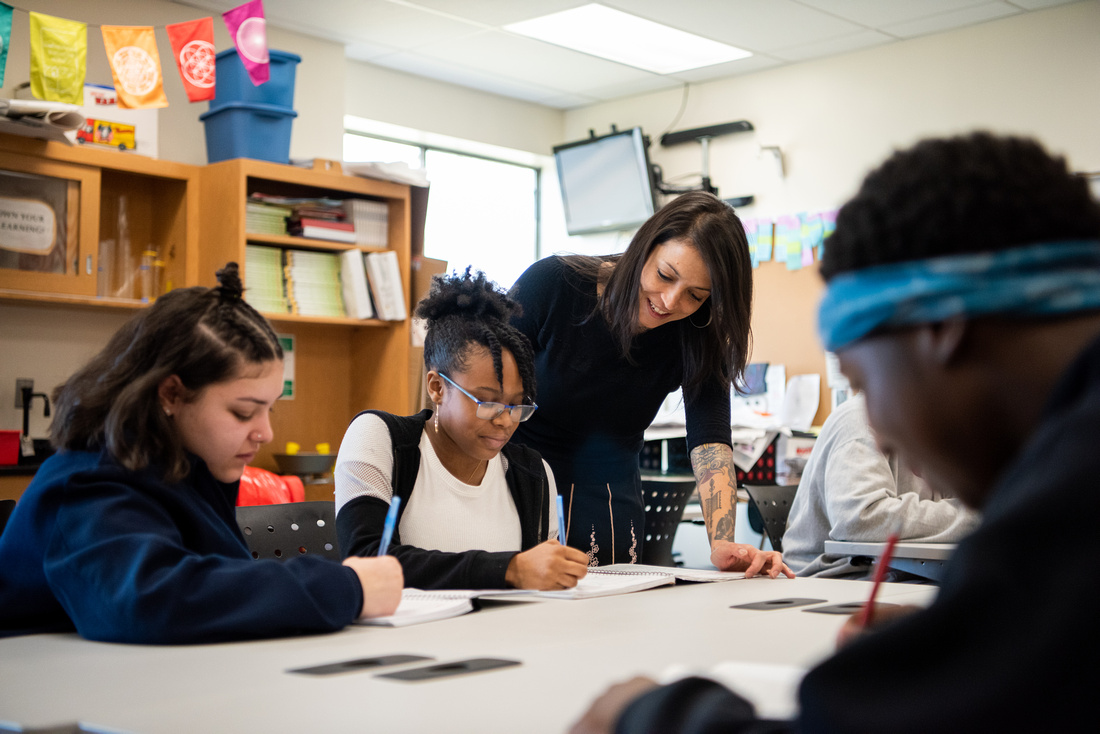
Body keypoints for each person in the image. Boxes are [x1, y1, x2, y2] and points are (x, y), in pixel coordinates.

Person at [570, 131, 1100, 732]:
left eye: (864, 381)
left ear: (942, 332)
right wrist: (968, 646)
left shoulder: (1071, 500)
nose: (881, 430)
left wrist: (651, 716)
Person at [0, 264, 403, 644]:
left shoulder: (194, 469)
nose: (265, 432)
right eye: (243, 412)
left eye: (270, 408)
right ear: (172, 394)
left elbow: (223, 586)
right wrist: (345, 586)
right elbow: (155, 600)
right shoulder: (87, 485)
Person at [510, 191, 790, 576]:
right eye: (665, 275)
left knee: (608, 622)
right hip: (518, 480)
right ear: (645, 246)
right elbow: (483, 382)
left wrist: (722, 541)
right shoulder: (554, 284)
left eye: (695, 295)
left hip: (609, 499)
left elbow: (710, 441)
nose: (670, 301)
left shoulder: (699, 333)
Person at [335, 269, 589, 590]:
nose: (505, 420)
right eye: (487, 402)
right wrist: (508, 569)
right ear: (437, 387)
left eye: (517, 405)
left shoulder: (533, 473)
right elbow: (366, 561)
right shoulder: (381, 439)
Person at [782, 393, 978, 579]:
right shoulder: (858, 421)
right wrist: (974, 517)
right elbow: (860, 519)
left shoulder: (927, 423)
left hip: (897, 571)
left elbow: (964, 499)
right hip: (835, 577)